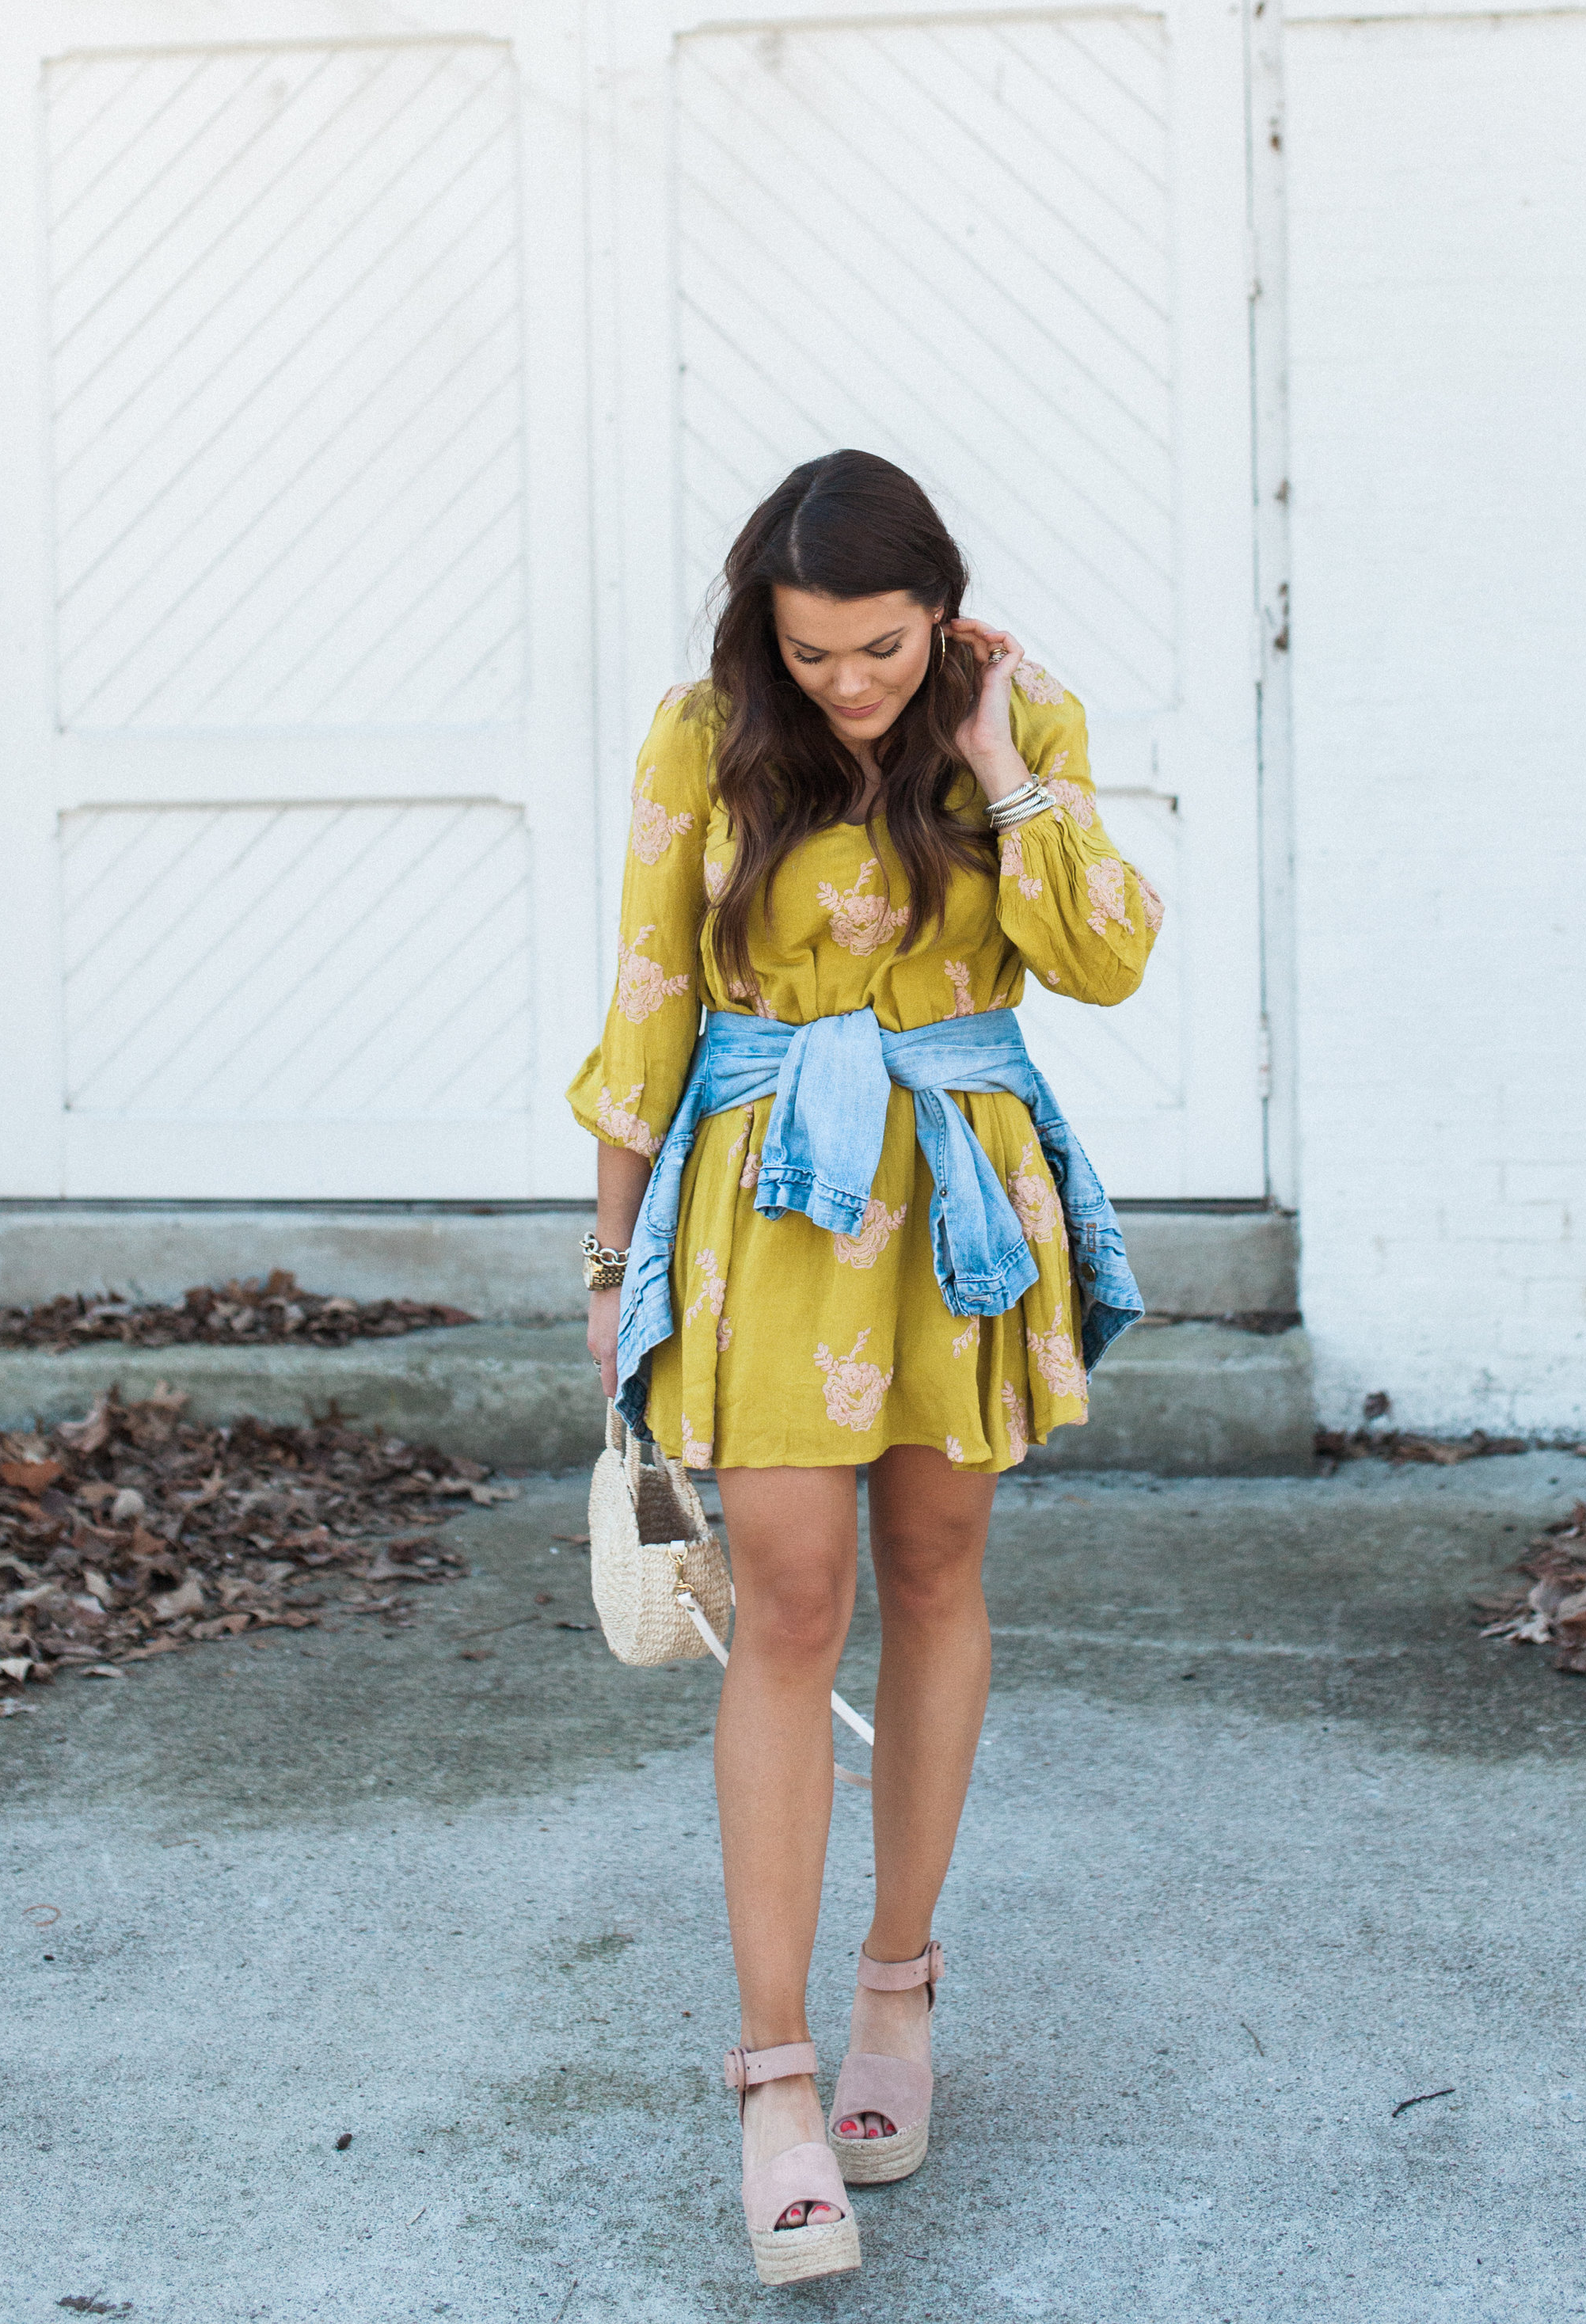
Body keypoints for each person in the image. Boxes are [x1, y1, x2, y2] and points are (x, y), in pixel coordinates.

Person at [567, 450, 1159, 2286]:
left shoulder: (1014, 712)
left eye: (882, 645)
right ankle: (773, 2077)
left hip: (953, 1196)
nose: (846, 680)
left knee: (932, 1572)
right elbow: (649, 992)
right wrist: (608, 1257)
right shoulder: (702, 730)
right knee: (791, 1598)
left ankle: (898, 1989)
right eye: (813, 646)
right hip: (764, 1198)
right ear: (768, 624)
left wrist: (994, 758)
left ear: (941, 612)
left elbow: (1105, 953)